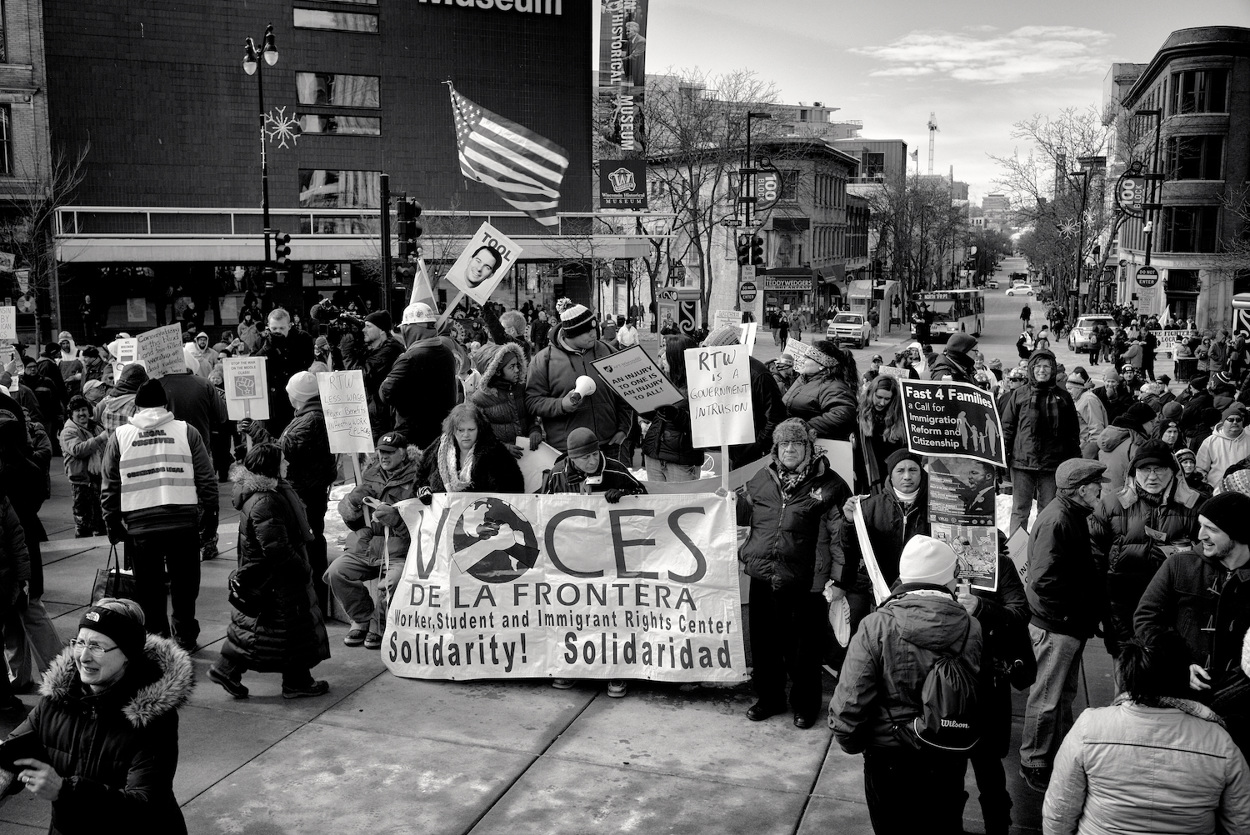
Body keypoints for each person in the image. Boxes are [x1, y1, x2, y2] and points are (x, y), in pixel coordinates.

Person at [828, 535, 983, 834]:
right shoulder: (971, 627)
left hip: (889, 760)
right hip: (947, 754)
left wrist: (858, 744)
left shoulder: (876, 625)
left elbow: (848, 707)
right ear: (945, 579)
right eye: (955, 573)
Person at [5, 598, 193, 833]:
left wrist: (65, 791)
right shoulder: (58, 699)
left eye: (97, 647)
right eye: (80, 643)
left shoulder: (152, 719)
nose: (83, 656)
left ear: (127, 654)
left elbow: (145, 805)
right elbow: (12, 753)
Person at [1043, 632, 1250, 834]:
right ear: (1184, 677)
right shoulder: (1220, 742)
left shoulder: (1089, 727)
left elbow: (1059, 813)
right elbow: (1241, 823)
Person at [738, 418, 850, 729]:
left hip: (808, 581)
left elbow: (842, 537)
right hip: (763, 576)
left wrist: (840, 580)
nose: (790, 449)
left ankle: (806, 705)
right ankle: (769, 698)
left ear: (808, 448)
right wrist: (729, 502)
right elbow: (745, 516)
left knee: (804, 650)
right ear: (776, 448)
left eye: (797, 443)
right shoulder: (761, 478)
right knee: (765, 645)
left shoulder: (831, 485)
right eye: (784, 443)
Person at [100, 379, 217, 652]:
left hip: (140, 526)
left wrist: (111, 520)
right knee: (185, 584)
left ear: (137, 406)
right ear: (165, 404)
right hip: (183, 523)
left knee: (149, 589)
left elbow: (109, 484)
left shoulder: (120, 436)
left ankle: (158, 640)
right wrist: (210, 512)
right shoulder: (187, 432)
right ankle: (185, 634)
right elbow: (206, 476)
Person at [207, 444, 331, 700]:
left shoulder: (266, 493)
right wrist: (302, 568)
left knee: (273, 629)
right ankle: (295, 682)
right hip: (277, 578)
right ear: (271, 466)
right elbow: (276, 548)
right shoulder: (266, 501)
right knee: (282, 628)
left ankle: (233, 670)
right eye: (283, 460)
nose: (287, 463)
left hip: (271, 577)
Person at [1019, 458, 1108, 793]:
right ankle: (1033, 761)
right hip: (1057, 626)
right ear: (1082, 489)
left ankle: (1053, 754)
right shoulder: (1059, 519)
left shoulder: (1069, 513)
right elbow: (1043, 580)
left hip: (1066, 625)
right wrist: (1072, 614)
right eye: (1097, 485)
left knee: (1060, 696)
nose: (1101, 491)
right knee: (1047, 698)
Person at [1137, 491, 1250, 752]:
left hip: (1240, 711)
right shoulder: (1179, 565)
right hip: (1180, 698)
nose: (1201, 535)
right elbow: (1146, 619)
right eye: (1201, 525)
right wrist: (1177, 664)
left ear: (1238, 533)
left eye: (1212, 529)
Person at [1090, 439, 1201, 655]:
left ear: (1173, 471)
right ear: (1133, 471)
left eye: (1159, 469)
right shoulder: (1112, 504)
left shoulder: (1193, 506)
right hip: (1121, 602)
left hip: (1172, 602)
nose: (1152, 477)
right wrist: (1097, 602)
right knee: (1125, 660)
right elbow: (1093, 552)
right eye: (1145, 470)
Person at [243, 371, 338, 614]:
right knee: (309, 541)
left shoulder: (311, 419)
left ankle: (315, 599)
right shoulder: (309, 416)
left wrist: (256, 431)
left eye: (290, 393)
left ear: (299, 395)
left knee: (309, 543)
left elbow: (283, 450)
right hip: (308, 489)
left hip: (306, 492)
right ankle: (313, 599)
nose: (288, 396)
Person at [328, 432, 421, 651]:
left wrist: (396, 521)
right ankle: (361, 618)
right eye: (381, 452)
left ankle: (379, 625)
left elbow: (423, 527)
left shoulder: (418, 478)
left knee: (391, 583)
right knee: (336, 572)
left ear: (403, 453)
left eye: (390, 452)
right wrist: (351, 504)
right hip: (366, 547)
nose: (383, 456)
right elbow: (354, 524)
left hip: (400, 551)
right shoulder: (369, 474)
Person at [835, 449, 928, 633]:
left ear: (921, 473)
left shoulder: (936, 508)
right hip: (879, 592)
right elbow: (849, 549)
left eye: (913, 470)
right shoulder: (870, 506)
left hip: (920, 594)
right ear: (891, 476)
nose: (907, 476)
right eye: (900, 471)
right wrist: (849, 521)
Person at [525, 302, 633, 461]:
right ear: (570, 334)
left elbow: (626, 393)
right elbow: (532, 401)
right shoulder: (544, 360)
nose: (593, 334)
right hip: (568, 449)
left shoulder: (609, 352)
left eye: (594, 329)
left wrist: (624, 428)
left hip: (609, 444)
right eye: (587, 331)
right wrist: (561, 405)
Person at [1000, 349, 1081, 535]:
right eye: (1038, 366)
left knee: (1047, 510)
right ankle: (1017, 549)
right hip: (1022, 463)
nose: (1042, 370)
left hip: (1052, 464)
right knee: (1020, 510)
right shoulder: (1019, 394)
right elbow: (1007, 429)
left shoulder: (1063, 397)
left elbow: (1072, 433)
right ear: (1031, 368)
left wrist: (1074, 462)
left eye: (1046, 366)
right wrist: (1003, 458)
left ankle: (1042, 544)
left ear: (1053, 369)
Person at [160, 361, 229, 561]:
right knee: (206, 495)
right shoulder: (204, 384)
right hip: (201, 449)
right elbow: (222, 416)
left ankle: (177, 544)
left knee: (174, 498)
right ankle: (208, 541)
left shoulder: (159, 384)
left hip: (170, 452)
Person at [701, 326, 786, 470]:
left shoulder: (758, 374)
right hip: (722, 451)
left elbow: (775, 416)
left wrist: (755, 446)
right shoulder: (716, 371)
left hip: (748, 455)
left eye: (714, 353)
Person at [379, 302, 459, 450]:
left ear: (410, 329)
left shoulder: (410, 358)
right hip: (441, 433)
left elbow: (385, 393)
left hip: (413, 436)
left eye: (404, 329)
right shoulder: (446, 353)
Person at [417, 402, 525, 499]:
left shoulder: (496, 452)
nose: (466, 435)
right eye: (460, 430)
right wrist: (424, 490)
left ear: (479, 428)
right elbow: (420, 479)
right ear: (452, 429)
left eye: (471, 429)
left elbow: (514, 490)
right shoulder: (439, 448)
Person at [641, 335, 702, 483]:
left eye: (666, 354)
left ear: (678, 358)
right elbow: (655, 415)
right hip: (654, 455)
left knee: (682, 498)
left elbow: (703, 427)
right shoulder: (664, 381)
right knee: (657, 498)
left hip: (681, 460)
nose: (662, 357)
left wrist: (676, 415)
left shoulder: (700, 387)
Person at [469, 341, 541, 457]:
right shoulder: (479, 399)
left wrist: (535, 430)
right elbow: (479, 434)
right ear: (497, 371)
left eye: (517, 365)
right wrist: (502, 447)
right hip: (499, 459)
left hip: (528, 455)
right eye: (511, 367)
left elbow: (531, 416)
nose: (517, 370)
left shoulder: (521, 389)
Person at [344, 309, 403, 442]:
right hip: (375, 416)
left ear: (382, 330)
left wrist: (347, 349)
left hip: (384, 421)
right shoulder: (376, 350)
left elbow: (359, 375)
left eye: (368, 326)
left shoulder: (390, 350)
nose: (363, 330)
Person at [254, 308, 315, 437]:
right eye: (274, 328)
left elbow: (307, 363)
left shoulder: (303, 338)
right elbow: (253, 365)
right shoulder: (261, 341)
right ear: (268, 327)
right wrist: (266, 349)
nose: (278, 332)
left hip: (296, 396)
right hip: (273, 399)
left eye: (282, 328)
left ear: (289, 326)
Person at [782, 340, 858, 441]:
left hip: (814, 444)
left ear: (822, 364)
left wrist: (804, 428)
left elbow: (842, 415)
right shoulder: (803, 380)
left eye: (808, 358)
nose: (802, 360)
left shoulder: (834, 386)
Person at [57, 395, 108, 538]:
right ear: (71, 414)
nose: (81, 413)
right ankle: (82, 544)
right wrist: (99, 439)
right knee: (83, 521)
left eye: (84, 409)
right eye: (77, 410)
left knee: (101, 520)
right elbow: (77, 450)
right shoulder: (68, 432)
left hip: (99, 480)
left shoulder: (96, 427)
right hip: (81, 483)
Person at [854, 375, 907, 489]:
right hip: (865, 472)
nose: (882, 403)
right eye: (879, 397)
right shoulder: (858, 413)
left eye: (887, 399)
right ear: (871, 392)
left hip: (890, 471)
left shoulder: (898, 417)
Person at [1095, 401, 1156, 494]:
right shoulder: (1136, 444)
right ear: (1142, 422)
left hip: (1106, 496)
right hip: (1126, 497)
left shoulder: (1109, 438)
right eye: (1152, 422)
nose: (1154, 426)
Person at [1196, 402, 1250, 491]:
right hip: (1216, 490)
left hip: (1245, 491)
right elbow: (1200, 469)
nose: (1235, 422)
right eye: (1231, 420)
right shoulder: (1210, 441)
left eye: (1238, 420)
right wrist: (1206, 488)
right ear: (1223, 422)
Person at [1065, 367, 1106, 458]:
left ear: (1079, 388)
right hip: (1079, 448)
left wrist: (1088, 456)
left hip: (1086, 451)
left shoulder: (1088, 400)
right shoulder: (1078, 399)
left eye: (1070, 389)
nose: (1068, 392)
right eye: (1067, 389)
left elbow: (1097, 429)